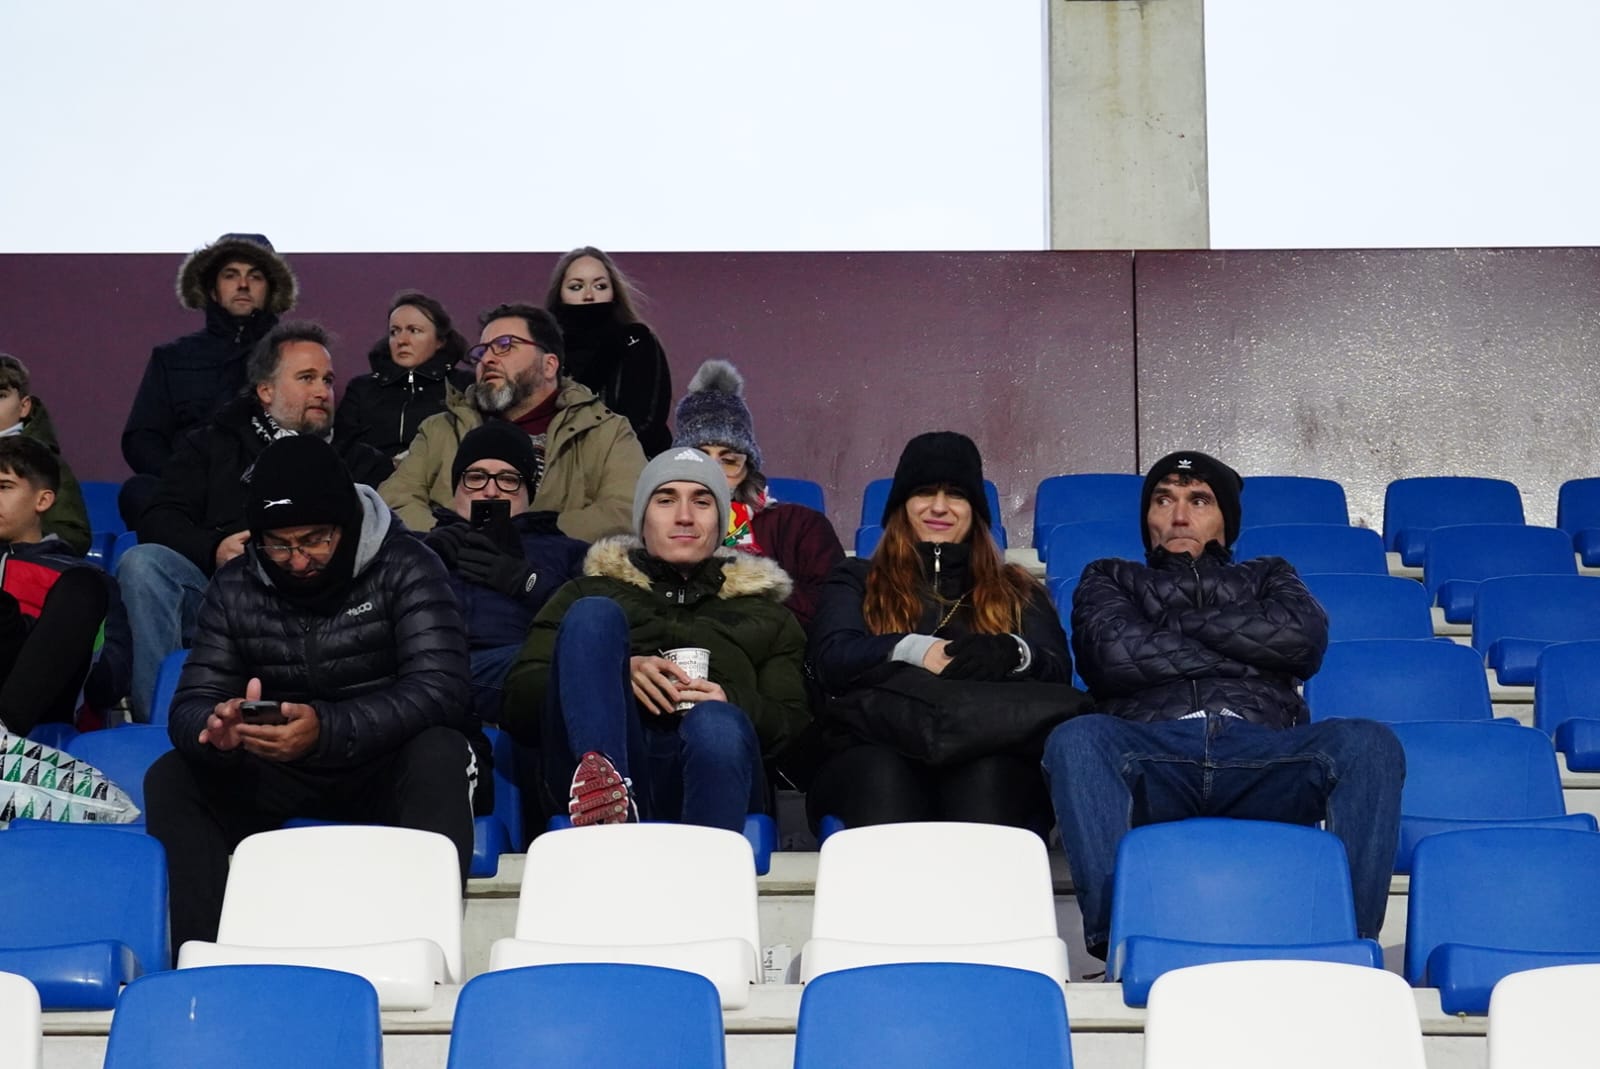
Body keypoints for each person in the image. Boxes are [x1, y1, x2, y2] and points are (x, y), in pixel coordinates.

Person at [1042, 450, 1405, 962]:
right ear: (1148, 517)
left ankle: (1350, 942)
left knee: (1370, 743)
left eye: (1199, 500)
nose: (1179, 515)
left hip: (1263, 755)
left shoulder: (1268, 574)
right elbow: (1112, 656)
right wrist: (1244, 644)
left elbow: (1302, 640)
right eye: (1164, 499)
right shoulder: (1110, 576)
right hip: (1153, 752)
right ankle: (1118, 944)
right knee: (1077, 739)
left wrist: (1167, 628)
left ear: (1225, 520)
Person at [143, 434, 488, 953]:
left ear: (345, 526)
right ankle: (203, 959)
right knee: (172, 775)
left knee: (440, 751)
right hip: (284, 764)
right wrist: (218, 730)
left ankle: (427, 957)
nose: (297, 560)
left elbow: (441, 689)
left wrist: (326, 730)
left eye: (314, 540)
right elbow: (191, 703)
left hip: (386, 760)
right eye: (278, 544)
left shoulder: (408, 565)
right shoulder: (236, 586)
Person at [501, 448, 809, 830]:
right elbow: (519, 702)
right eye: (665, 500)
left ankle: (707, 862)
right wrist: (610, 675)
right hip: (597, 771)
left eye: (702, 501)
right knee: (595, 616)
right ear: (642, 519)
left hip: (713, 779)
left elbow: (796, 729)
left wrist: (731, 700)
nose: (684, 516)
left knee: (716, 724)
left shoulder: (768, 616)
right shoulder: (581, 594)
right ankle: (606, 790)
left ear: (721, 521)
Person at [807, 431, 1084, 833]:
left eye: (955, 494)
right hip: (873, 748)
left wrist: (1012, 651)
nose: (939, 507)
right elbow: (831, 658)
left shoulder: (1014, 587)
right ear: (902, 505)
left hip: (989, 746)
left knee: (989, 777)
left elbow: (1056, 669)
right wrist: (913, 649)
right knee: (883, 775)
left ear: (975, 510)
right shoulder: (856, 579)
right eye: (924, 492)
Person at [118, 322, 393, 721]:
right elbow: (160, 516)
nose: (323, 391)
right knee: (142, 563)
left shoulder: (362, 460)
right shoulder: (211, 444)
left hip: (321, 608)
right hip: (218, 596)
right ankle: (158, 726)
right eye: (307, 378)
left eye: (328, 380)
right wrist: (213, 548)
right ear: (266, 391)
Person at [380, 302, 645, 540]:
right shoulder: (439, 429)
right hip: (447, 578)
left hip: (562, 582)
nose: (487, 359)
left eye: (505, 346)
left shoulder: (605, 430)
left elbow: (626, 509)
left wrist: (532, 540)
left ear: (549, 365)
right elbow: (394, 501)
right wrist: (452, 541)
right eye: (482, 351)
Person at [120, 234, 297, 526]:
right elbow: (142, 438)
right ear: (213, 290)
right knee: (138, 492)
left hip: (267, 491)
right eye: (231, 275)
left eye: (255, 276)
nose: (242, 285)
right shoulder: (173, 357)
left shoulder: (295, 355)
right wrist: (186, 479)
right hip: (190, 495)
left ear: (272, 290)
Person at [422, 422, 587, 722]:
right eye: (476, 477)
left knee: (574, 663)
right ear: (456, 486)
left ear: (529, 491)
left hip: (518, 667)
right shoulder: (416, 547)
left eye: (508, 479)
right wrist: (423, 562)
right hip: (427, 665)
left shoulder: (567, 550)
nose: (490, 490)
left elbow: (590, 622)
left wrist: (527, 582)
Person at [671, 359, 843, 631]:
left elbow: (833, 611)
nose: (713, 472)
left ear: (746, 469)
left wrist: (749, 583)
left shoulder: (801, 526)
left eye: (728, 460)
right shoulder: (659, 530)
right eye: (699, 458)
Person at [0, 438, 130, 734]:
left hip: (39, 717)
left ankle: (4, 732)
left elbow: (109, 682)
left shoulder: (82, 579)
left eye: (4, 486)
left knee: (83, 588)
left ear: (43, 500)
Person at [545, 246, 672, 456]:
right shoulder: (545, 351)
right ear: (560, 294)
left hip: (628, 467)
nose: (588, 295)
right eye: (576, 287)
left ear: (614, 292)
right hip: (559, 470)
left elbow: (647, 424)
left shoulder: (637, 341)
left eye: (600, 286)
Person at [335, 290, 473, 458]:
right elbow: (341, 451)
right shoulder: (361, 389)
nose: (402, 341)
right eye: (394, 331)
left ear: (440, 340)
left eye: (414, 330)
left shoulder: (464, 386)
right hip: (369, 481)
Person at [0, 354, 90, 555]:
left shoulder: (43, 461)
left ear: (24, 406)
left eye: (0, 396)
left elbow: (74, 534)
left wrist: (24, 539)